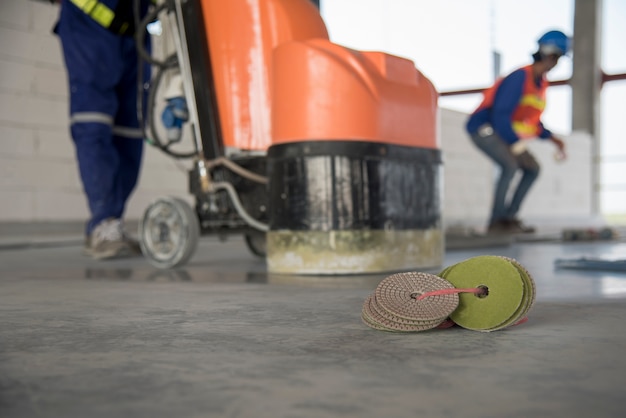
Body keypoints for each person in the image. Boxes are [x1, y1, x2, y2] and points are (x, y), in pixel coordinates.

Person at [54, 0, 154, 259]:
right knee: (94, 122)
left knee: (131, 129)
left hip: (136, 28)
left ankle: (113, 220)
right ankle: (103, 220)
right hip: (90, 23)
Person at [466, 30, 570, 234]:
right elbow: (500, 115)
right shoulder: (520, 76)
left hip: (503, 131)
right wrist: (516, 143)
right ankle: (496, 222)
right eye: (556, 58)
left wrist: (553, 139)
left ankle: (509, 218)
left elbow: (531, 121)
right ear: (550, 56)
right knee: (510, 165)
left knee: (532, 169)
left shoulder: (540, 84)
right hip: (484, 128)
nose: (555, 63)